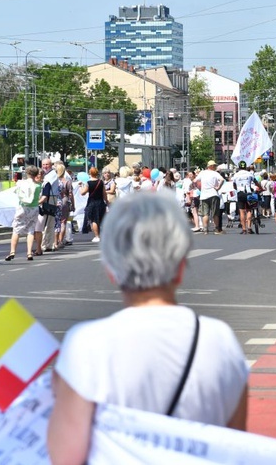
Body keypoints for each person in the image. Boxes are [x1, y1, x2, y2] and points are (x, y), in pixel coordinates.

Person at [47, 192, 249, 464]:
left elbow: (66, 455)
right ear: (180, 266)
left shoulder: (85, 344)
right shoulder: (220, 340)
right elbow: (234, 444)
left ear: (112, 271)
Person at [5, 166, 42, 262]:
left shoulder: (21, 184)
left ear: (27, 173)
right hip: (34, 208)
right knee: (30, 230)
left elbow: (16, 192)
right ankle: (29, 253)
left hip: (23, 208)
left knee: (16, 230)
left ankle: (12, 251)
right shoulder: (38, 185)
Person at [194, 160, 225, 235]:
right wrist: (218, 187)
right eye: (214, 166)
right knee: (215, 213)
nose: (215, 167)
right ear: (211, 166)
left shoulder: (202, 173)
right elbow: (222, 179)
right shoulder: (215, 173)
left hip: (204, 195)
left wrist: (199, 188)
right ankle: (217, 229)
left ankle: (205, 230)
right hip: (213, 194)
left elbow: (195, 181)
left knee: (205, 214)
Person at [79, 167, 107, 243]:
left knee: (94, 220)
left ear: (90, 173)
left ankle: (97, 236)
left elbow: (82, 193)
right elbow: (104, 193)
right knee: (100, 219)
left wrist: (80, 187)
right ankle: (101, 235)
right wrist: (106, 201)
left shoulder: (88, 183)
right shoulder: (101, 182)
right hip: (100, 202)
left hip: (92, 202)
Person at [232, 160, 261, 234]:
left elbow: (234, 185)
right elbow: (255, 182)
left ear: (239, 167)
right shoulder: (249, 174)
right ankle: (249, 228)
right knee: (249, 210)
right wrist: (260, 187)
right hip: (248, 193)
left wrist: (237, 188)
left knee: (241, 211)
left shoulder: (236, 175)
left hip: (240, 193)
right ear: (245, 167)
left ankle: (244, 229)